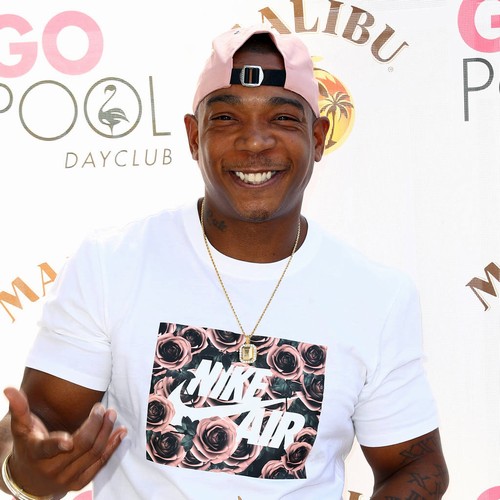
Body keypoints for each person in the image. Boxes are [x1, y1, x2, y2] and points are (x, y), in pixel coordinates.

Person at [0, 25, 448, 499]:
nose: (254, 142)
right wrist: (22, 472)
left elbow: (416, 465)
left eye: (283, 118)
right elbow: (38, 426)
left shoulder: (376, 297)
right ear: (194, 137)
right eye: (227, 119)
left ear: (318, 138)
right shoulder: (110, 265)